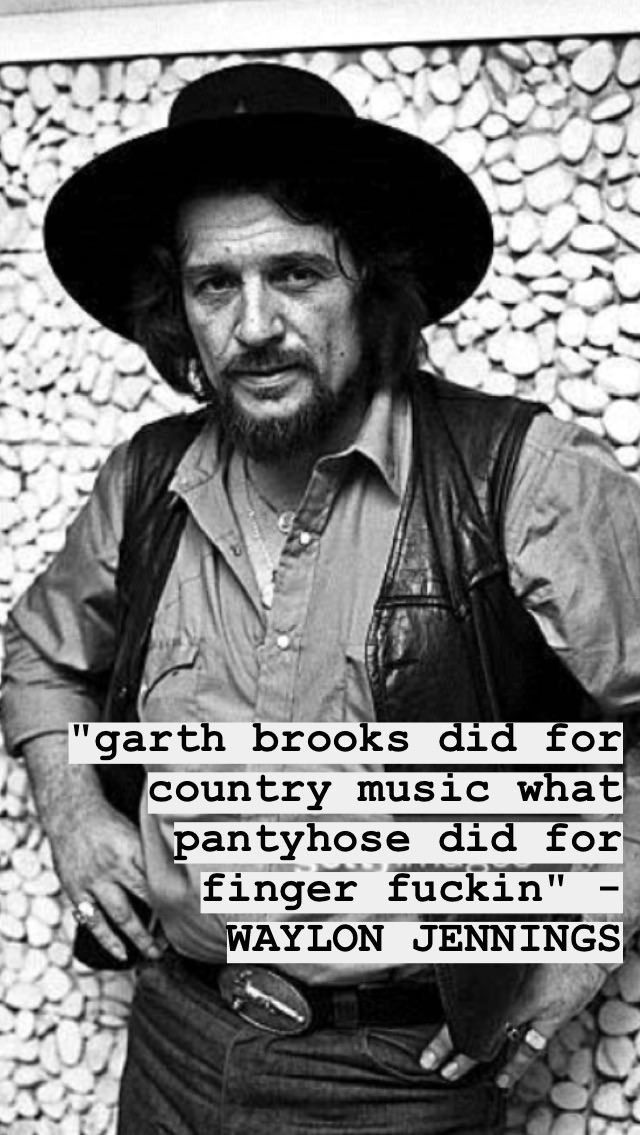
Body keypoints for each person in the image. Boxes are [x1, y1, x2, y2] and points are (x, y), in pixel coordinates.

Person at [2, 61, 640, 1135]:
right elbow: (39, 652)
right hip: (175, 1043)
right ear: (181, 312)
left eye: (296, 274)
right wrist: (71, 808)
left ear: (373, 286)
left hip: (400, 1071)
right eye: (216, 285)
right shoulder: (145, 479)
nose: (254, 326)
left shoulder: (525, 473)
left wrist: (594, 917)